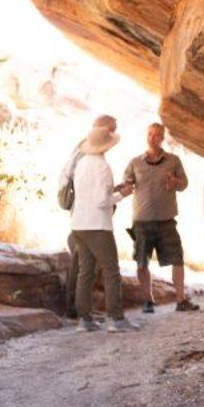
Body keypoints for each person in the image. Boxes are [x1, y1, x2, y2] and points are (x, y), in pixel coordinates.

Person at [123, 123, 199, 313]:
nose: (152, 138)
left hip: (166, 220)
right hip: (141, 221)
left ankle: (181, 301)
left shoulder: (173, 161)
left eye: (156, 135)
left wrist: (175, 182)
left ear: (162, 137)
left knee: (177, 259)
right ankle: (148, 301)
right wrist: (124, 188)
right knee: (142, 262)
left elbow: (184, 184)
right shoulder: (135, 162)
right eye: (149, 134)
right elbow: (126, 184)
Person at [70, 123, 138, 333]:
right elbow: (101, 201)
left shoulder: (82, 163)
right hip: (97, 225)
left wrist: (113, 189)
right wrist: (122, 195)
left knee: (85, 272)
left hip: (78, 224)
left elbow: (89, 193)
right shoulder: (103, 166)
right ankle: (115, 319)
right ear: (106, 146)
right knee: (111, 271)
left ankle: (84, 320)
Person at [62, 114, 116, 319]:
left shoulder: (84, 151)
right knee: (84, 267)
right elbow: (97, 195)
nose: (114, 134)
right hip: (89, 218)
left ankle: (81, 311)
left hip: (82, 217)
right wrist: (117, 195)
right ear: (102, 129)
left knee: (85, 267)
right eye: (112, 129)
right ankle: (75, 310)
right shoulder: (89, 156)